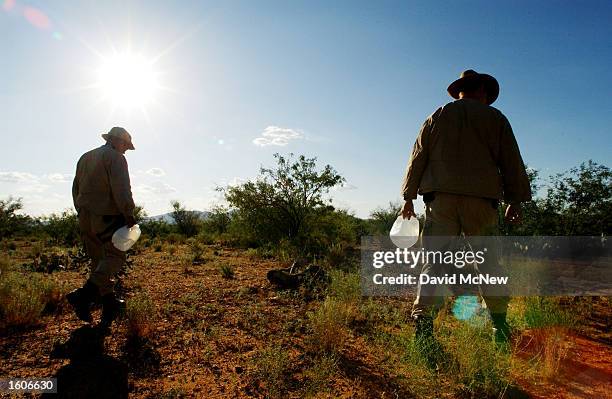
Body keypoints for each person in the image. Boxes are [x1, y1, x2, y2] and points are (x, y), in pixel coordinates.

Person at [400, 70, 532, 348]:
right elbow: (510, 160)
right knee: (488, 262)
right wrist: (515, 200)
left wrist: (408, 197)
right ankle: (500, 327)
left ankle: (423, 327)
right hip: (481, 203)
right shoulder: (496, 119)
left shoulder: (437, 115)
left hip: (440, 201)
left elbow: (418, 156)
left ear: (460, 90)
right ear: (483, 91)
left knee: (434, 264)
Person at [67, 127, 137, 327]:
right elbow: (122, 188)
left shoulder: (85, 157)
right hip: (106, 216)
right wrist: (128, 213)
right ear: (117, 141)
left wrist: (81, 211)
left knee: (98, 260)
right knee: (116, 257)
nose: (125, 150)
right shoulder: (116, 158)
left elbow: (75, 188)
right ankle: (84, 295)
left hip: (85, 216)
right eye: (125, 145)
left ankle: (109, 303)